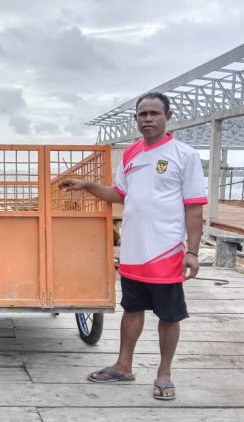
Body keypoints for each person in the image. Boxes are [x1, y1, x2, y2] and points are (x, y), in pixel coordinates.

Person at [60, 92, 207, 400]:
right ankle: (123, 365)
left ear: (168, 116)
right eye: (142, 114)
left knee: (169, 315)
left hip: (166, 251)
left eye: (154, 113)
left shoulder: (185, 155)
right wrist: (87, 186)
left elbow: (194, 209)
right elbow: (119, 193)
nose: (148, 119)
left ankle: (164, 374)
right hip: (132, 251)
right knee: (132, 309)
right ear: (136, 119)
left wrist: (192, 252)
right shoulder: (131, 154)